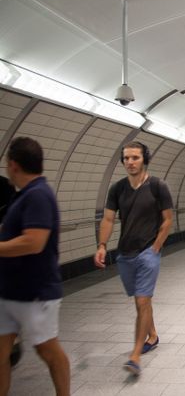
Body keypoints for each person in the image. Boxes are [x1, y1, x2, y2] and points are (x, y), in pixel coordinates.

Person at [94, 141, 173, 376]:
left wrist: (156, 246)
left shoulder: (158, 186)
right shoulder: (117, 189)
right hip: (125, 254)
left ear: (144, 159)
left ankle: (135, 355)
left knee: (141, 301)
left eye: (135, 158)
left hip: (148, 252)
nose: (130, 162)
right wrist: (101, 246)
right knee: (142, 302)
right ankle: (153, 335)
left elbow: (167, 219)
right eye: (126, 158)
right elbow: (108, 219)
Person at [0, 137, 70, 396]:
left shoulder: (39, 195)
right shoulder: (24, 196)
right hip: (10, 292)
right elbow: (13, 233)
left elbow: (34, 242)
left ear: (13, 165)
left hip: (35, 293)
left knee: (48, 351)